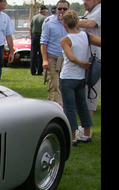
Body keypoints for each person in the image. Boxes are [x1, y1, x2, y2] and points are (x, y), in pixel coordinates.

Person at [59, 10, 101, 145]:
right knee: (82, 105)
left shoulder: (65, 40)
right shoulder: (86, 36)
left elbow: (70, 57)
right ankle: (87, 133)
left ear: (64, 25)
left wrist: (80, 62)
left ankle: (72, 136)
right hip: (81, 78)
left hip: (68, 76)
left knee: (69, 107)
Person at [41, 0, 68, 106]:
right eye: (60, 9)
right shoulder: (49, 24)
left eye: (65, 9)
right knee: (54, 86)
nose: (62, 11)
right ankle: (59, 109)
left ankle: (51, 107)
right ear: (56, 10)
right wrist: (45, 60)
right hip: (52, 59)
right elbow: (43, 42)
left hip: (66, 60)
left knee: (63, 87)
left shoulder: (71, 25)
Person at [77, 0, 101, 119]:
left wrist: (71, 21)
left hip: (96, 60)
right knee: (86, 94)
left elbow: (91, 24)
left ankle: (87, 132)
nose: (84, 2)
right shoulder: (90, 13)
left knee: (90, 94)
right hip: (89, 59)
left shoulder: (99, 9)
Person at [30, 5, 48, 75]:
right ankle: (40, 70)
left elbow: (30, 28)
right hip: (41, 36)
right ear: (44, 11)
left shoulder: (34, 17)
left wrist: (31, 36)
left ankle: (32, 70)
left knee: (33, 54)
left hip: (34, 36)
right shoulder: (44, 19)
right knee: (41, 54)